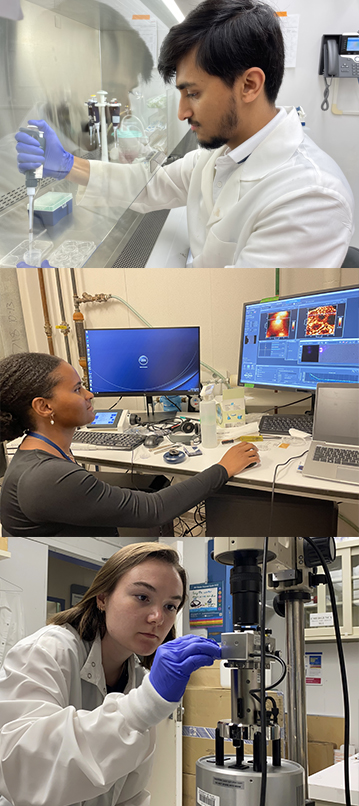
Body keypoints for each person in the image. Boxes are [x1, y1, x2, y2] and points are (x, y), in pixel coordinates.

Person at [14, 0, 354, 269]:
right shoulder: (221, 153)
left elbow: (244, 304)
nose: (181, 112)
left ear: (249, 85)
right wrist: (69, 164)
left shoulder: (311, 198)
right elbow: (151, 186)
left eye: (193, 93)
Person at [0, 541, 221, 806]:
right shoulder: (48, 651)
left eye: (170, 606)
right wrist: (143, 706)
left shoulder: (137, 677)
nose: (157, 618)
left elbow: (131, 791)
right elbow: (23, 772)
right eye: (143, 597)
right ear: (102, 598)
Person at [0, 352, 260, 537]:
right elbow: (154, 509)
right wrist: (223, 468)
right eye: (77, 389)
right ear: (44, 406)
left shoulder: (43, 452)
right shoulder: (46, 477)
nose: (89, 394)